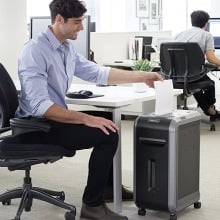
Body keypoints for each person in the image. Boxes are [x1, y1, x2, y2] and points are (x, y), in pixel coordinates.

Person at [15, 0, 162, 219]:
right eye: (77, 22)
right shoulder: (35, 51)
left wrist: (143, 76)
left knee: (108, 119)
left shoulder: (65, 48)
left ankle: (108, 187)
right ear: (58, 20)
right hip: (36, 126)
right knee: (106, 133)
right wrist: (84, 118)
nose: (82, 28)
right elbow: (41, 107)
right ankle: (92, 205)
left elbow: (98, 73)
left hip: (51, 119)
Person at [175, 10, 220, 122]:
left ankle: (211, 110)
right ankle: (211, 110)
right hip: (194, 75)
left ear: (192, 21)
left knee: (197, 89)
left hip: (177, 76)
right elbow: (211, 58)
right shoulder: (207, 35)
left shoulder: (178, 34)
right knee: (210, 84)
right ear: (206, 23)